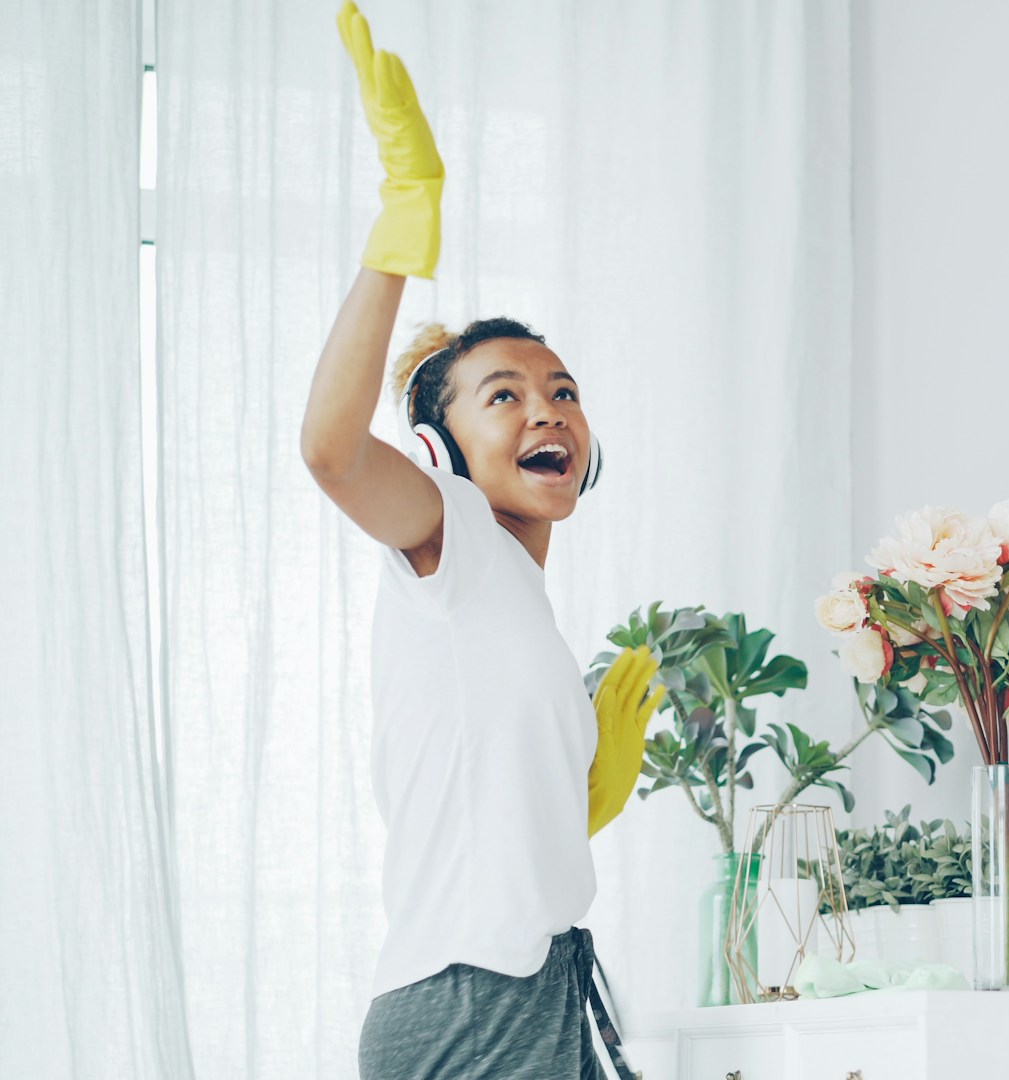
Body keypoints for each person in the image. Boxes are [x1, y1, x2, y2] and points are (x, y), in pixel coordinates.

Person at [299, 5, 659, 1077]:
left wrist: (576, 787)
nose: (546, 411)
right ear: (437, 447)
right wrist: (407, 212)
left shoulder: (509, 601)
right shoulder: (449, 538)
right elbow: (328, 450)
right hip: (473, 1000)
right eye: (501, 395)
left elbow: (486, 827)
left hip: (525, 988)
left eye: (562, 391)